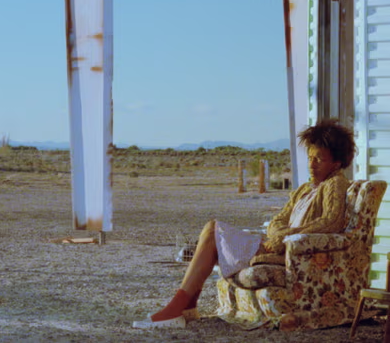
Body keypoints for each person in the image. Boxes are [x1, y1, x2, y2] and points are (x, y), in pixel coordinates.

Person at [133, 119, 355, 328]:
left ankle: (178, 307)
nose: (311, 165)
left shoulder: (334, 184)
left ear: (336, 163)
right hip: (278, 243)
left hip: (292, 252)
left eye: (319, 159)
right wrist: (279, 233)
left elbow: (331, 222)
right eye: (309, 158)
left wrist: (284, 238)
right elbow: (279, 218)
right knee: (212, 230)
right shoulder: (306, 189)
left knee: (213, 230)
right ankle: (185, 306)